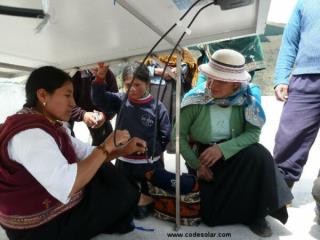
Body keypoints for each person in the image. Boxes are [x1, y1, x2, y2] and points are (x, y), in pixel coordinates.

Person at [0, 66, 147, 240]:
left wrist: (124, 150)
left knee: (104, 170)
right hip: (38, 228)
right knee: (117, 193)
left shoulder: (49, 124)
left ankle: (132, 198)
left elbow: (87, 153)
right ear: (42, 95)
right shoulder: (31, 135)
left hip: (51, 202)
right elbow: (67, 184)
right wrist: (106, 146)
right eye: (67, 95)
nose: (73, 103)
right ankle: (134, 199)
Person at [177, 49, 292, 237]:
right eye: (210, 78)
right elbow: (178, 136)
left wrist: (222, 149)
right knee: (211, 217)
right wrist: (196, 165)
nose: (212, 85)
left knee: (259, 155)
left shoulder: (248, 99)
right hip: (204, 157)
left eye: (221, 81)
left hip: (234, 151)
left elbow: (253, 134)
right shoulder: (195, 99)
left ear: (235, 85)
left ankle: (257, 215)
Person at [91, 62, 171, 219]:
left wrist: (154, 151)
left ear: (147, 83)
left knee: (149, 206)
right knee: (125, 201)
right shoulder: (120, 100)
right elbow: (99, 99)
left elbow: (165, 134)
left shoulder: (158, 107)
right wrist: (100, 78)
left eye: (137, 84)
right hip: (123, 161)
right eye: (128, 85)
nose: (132, 89)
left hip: (149, 164)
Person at [273, 0, 320, 190]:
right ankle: (276, 204)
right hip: (305, 80)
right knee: (288, 142)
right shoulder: (305, 2)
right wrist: (281, 78)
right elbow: (290, 42)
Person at [69, 67, 118, 146]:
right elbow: (64, 103)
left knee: (106, 140)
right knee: (65, 137)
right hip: (70, 110)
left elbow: (114, 101)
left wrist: (104, 115)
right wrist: (82, 115)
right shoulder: (72, 73)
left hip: (98, 113)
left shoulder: (107, 73)